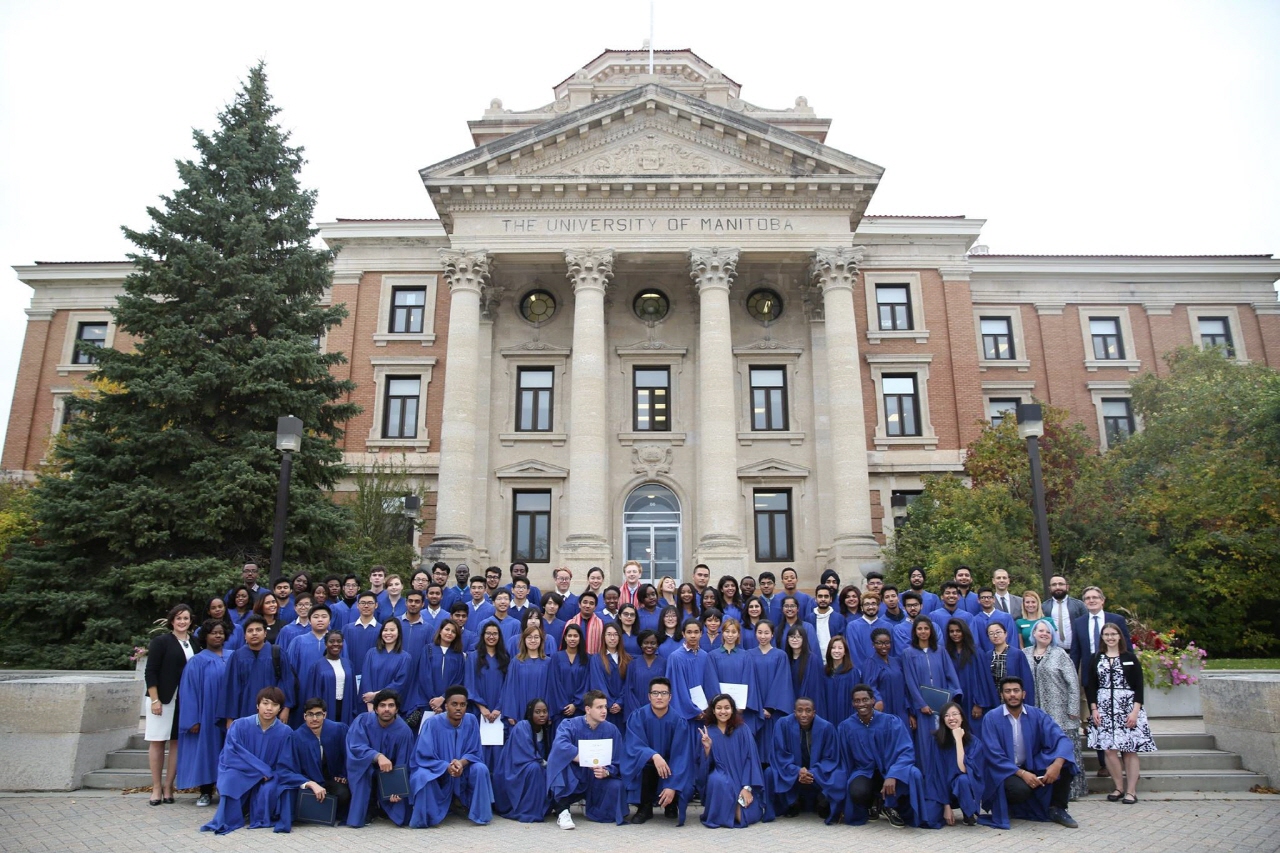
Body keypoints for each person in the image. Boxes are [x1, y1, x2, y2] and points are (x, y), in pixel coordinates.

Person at [980, 676, 1079, 828]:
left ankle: (1057, 808)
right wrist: (1022, 774)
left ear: (1023, 694)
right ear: (1001, 695)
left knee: (1065, 764)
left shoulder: (1037, 715)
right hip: (1006, 771)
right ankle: (1011, 807)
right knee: (1020, 790)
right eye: (1007, 691)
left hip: (1032, 764)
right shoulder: (991, 718)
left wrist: (1057, 764)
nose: (1012, 694)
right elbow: (994, 755)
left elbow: (1062, 739)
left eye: (1016, 691)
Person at [200, 686, 300, 834]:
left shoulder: (286, 732)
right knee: (230, 779)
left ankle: (258, 816)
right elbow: (231, 754)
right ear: (257, 705)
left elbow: (286, 762)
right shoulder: (240, 725)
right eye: (265, 703)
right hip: (242, 771)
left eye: (274, 705)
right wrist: (260, 771)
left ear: (280, 709)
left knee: (269, 788)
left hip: (270, 774)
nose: (269, 708)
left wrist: (268, 773)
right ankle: (230, 817)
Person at [1085, 622, 1155, 804]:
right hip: (1103, 707)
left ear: (1119, 637)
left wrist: (1135, 711)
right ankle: (1118, 787)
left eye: (1113, 634)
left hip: (1127, 707)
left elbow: (1139, 686)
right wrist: (1094, 709)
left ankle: (1131, 791)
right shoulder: (1096, 658)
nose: (1110, 637)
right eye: (1106, 634)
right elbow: (1090, 685)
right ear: (1102, 638)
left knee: (1129, 750)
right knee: (1108, 749)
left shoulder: (1129, 657)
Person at [837, 684, 924, 827]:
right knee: (857, 790)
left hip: (891, 768)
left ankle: (893, 807)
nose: (861, 704)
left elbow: (906, 751)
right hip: (865, 772)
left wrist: (893, 774)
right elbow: (845, 760)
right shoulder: (846, 727)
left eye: (865, 699)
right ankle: (872, 802)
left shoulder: (891, 722)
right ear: (852, 703)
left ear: (873, 700)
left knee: (914, 774)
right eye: (857, 701)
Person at [409, 685, 494, 827]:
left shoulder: (471, 720)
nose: (459, 708)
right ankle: (427, 816)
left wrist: (461, 763)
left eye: (463, 704)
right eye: (454, 704)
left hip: (463, 768)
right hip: (438, 770)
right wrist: (446, 766)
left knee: (481, 768)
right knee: (421, 776)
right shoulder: (432, 723)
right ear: (446, 705)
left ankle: (479, 814)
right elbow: (423, 755)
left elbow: (475, 751)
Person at [547, 690, 627, 828]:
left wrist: (607, 772)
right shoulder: (570, 725)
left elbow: (618, 759)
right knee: (559, 763)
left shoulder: (612, 730)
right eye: (599, 707)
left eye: (605, 707)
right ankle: (563, 811)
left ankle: (597, 809)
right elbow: (561, 745)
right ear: (588, 709)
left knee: (616, 785)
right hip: (576, 774)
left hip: (597, 775)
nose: (604, 711)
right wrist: (585, 759)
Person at [1024, 618, 1083, 799]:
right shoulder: (1024, 654)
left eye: (1048, 631)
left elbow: (1073, 683)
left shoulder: (1060, 654)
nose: (1044, 634)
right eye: (1040, 631)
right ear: (1033, 634)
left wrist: (1073, 709)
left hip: (1060, 709)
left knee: (1063, 748)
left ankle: (1071, 791)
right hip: (1035, 710)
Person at [144, 603, 195, 806]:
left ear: (191, 621)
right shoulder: (161, 641)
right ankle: (156, 787)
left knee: (176, 742)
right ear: (172, 620)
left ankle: (168, 786)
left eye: (186, 618)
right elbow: (151, 671)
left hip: (185, 700)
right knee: (157, 741)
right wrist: (155, 699)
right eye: (179, 618)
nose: (182, 622)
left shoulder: (196, 642)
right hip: (162, 699)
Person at [622, 676, 692, 825]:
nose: (659, 697)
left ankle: (671, 803)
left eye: (664, 693)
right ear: (649, 696)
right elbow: (633, 745)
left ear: (670, 697)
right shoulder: (638, 717)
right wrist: (653, 755)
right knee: (645, 764)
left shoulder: (679, 721)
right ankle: (645, 807)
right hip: (647, 764)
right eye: (655, 693)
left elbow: (681, 755)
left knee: (676, 766)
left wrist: (672, 786)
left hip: (670, 765)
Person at [175, 618, 228, 807]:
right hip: (208, 716)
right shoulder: (197, 661)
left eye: (221, 632)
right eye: (213, 632)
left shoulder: (234, 656)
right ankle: (205, 791)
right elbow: (188, 692)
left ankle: (227, 791)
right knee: (208, 751)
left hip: (230, 715)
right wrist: (193, 720)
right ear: (205, 636)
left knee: (229, 752)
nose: (218, 635)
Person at [345, 689, 415, 827]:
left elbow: (403, 762)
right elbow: (355, 746)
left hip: (389, 772)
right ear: (376, 709)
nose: (386, 709)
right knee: (364, 771)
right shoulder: (363, 721)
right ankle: (366, 809)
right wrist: (377, 756)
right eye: (382, 705)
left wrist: (398, 788)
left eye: (391, 705)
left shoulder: (404, 732)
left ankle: (385, 806)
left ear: (397, 709)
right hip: (365, 767)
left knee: (402, 813)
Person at [922, 702, 997, 828]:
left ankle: (968, 811)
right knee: (930, 819)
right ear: (942, 720)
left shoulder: (974, 742)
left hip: (963, 788)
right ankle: (944, 807)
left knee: (963, 780)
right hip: (940, 788)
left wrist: (958, 740)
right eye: (947, 715)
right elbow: (935, 773)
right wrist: (946, 805)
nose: (951, 718)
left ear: (962, 717)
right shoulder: (935, 741)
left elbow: (963, 769)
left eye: (955, 714)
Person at [769, 697, 844, 822]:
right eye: (800, 710)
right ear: (794, 712)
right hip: (792, 772)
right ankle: (791, 803)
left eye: (808, 711)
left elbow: (831, 758)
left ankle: (823, 803)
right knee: (770, 773)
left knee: (839, 775)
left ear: (814, 713)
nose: (804, 714)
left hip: (818, 773)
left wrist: (812, 772)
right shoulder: (782, 725)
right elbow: (779, 753)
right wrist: (797, 771)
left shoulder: (826, 728)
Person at [697, 693, 766, 828]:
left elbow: (750, 759)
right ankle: (722, 812)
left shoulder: (743, 730)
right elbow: (705, 766)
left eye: (727, 708)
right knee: (718, 780)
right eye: (719, 708)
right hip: (720, 774)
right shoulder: (708, 732)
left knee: (743, 818)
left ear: (733, 710)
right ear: (713, 710)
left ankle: (734, 808)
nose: (723, 711)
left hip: (742, 778)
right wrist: (707, 748)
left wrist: (746, 787)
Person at [902, 615, 960, 775]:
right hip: (924, 709)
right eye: (919, 628)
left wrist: (951, 700)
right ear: (914, 631)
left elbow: (951, 675)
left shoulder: (940, 651)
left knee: (946, 741)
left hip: (943, 707)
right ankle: (931, 786)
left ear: (931, 631)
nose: (923, 632)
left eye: (926, 628)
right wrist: (921, 704)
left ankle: (950, 782)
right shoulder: (908, 653)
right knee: (927, 745)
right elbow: (910, 682)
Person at [289, 698, 350, 825]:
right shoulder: (296, 737)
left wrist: (343, 775)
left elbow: (348, 755)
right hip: (308, 782)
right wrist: (309, 783)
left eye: (318, 714)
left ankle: (331, 813)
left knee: (344, 794)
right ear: (304, 716)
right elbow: (286, 768)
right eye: (310, 714)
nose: (314, 718)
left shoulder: (337, 730)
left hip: (330, 780)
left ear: (325, 715)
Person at [220, 616, 289, 724]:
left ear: (265, 633)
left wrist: (286, 708)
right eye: (250, 631)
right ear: (244, 635)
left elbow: (286, 682)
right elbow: (231, 688)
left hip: (273, 709)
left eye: (258, 630)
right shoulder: (237, 657)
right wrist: (229, 718)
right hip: (244, 709)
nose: (254, 633)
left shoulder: (277, 653)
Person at [494, 698, 554, 821]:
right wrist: (545, 763)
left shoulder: (545, 730)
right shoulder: (522, 726)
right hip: (514, 769)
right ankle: (528, 810)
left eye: (544, 711)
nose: (542, 715)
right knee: (535, 768)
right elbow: (526, 753)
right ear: (530, 713)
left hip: (530, 766)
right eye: (537, 712)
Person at [749, 620, 793, 766]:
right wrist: (756, 707)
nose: (763, 636)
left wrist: (770, 707)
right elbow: (748, 682)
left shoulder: (780, 655)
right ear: (755, 634)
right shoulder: (748, 655)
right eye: (760, 632)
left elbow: (782, 682)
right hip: (754, 709)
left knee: (773, 748)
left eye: (766, 633)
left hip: (773, 711)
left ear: (772, 634)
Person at [662, 618, 720, 725]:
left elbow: (710, 685)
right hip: (685, 715)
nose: (693, 636)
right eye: (689, 632)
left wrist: (709, 708)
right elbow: (677, 689)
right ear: (683, 634)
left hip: (704, 714)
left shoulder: (705, 656)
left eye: (696, 632)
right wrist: (693, 711)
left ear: (701, 634)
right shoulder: (675, 658)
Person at [410, 619, 466, 727]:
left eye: (453, 632)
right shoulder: (428, 649)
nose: (449, 633)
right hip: (427, 702)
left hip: (449, 704)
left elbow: (458, 680)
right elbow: (424, 676)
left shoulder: (458, 655)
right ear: (440, 631)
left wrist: (443, 698)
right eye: (447, 629)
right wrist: (434, 702)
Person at [300, 630, 359, 726]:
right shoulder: (317, 666)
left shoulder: (348, 664)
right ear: (325, 644)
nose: (336, 644)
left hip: (345, 706)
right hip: (327, 706)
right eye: (331, 641)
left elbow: (353, 691)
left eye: (339, 641)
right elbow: (312, 693)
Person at [945, 618, 998, 719]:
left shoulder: (976, 652)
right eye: (951, 631)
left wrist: (979, 703)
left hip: (973, 700)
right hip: (955, 700)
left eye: (958, 631)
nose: (955, 634)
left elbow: (982, 679)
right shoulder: (946, 653)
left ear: (964, 632)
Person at [500, 623, 551, 727]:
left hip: (542, 710)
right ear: (524, 640)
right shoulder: (516, 662)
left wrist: (549, 714)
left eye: (536, 637)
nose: (533, 640)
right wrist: (511, 713)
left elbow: (551, 690)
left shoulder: (548, 662)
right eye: (529, 637)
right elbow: (510, 688)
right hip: (520, 708)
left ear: (541, 640)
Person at [1070, 586, 1133, 671]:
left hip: (1114, 668)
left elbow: (1126, 646)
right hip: (1089, 670)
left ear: (1102, 600)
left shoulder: (1117, 620)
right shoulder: (1079, 622)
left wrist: (1129, 668)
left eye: (1095, 597)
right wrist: (1072, 674)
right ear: (1084, 602)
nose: (1091, 600)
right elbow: (1075, 651)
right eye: (1087, 598)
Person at [862, 628, 910, 732]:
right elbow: (869, 686)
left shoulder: (896, 661)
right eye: (879, 643)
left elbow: (904, 686)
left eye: (887, 643)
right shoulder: (870, 663)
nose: (884, 646)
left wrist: (910, 712)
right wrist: (878, 700)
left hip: (901, 709)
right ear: (873, 645)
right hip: (883, 709)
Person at [359, 618, 410, 714]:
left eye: (392, 630)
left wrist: (376, 696)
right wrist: (370, 702)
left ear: (398, 633)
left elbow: (399, 684)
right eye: (385, 630)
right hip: (369, 706)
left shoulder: (405, 658)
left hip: (390, 707)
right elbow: (366, 679)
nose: (388, 633)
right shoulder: (371, 653)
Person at [548, 623, 590, 732]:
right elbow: (554, 683)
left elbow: (587, 683)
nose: (572, 639)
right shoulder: (556, 657)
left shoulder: (587, 659)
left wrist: (576, 705)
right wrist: (564, 706)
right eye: (569, 636)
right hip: (560, 710)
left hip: (580, 710)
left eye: (575, 636)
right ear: (565, 638)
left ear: (580, 638)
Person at [591, 622, 631, 732]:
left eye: (615, 634)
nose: (612, 638)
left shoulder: (627, 659)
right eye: (609, 634)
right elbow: (598, 683)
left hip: (622, 709)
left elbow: (628, 684)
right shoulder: (596, 659)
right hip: (604, 710)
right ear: (603, 637)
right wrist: (609, 703)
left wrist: (620, 702)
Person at [986, 621, 1035, 708]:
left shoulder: (1017, 654)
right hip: (994, 700)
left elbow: (1026, 680)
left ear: (1005, 634)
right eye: (991, 633)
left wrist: (1027, 702)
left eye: (998, 632)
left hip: (1013, 699)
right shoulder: (987, 656)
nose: (995, 636)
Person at [820, 635, 860, 727]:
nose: (836, 651)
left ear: (845, 651)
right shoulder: (823, 671)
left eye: (840, 648)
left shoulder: (853, 672)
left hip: (846, 714)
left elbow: (855, 697)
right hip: (828, 713)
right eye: (833, 648)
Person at [626, 631, 668, 714]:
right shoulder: (633, 664)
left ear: (658, 645)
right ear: (641, 645)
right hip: (636, 710)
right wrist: (636, 711)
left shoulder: (664, 663)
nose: (649, 646)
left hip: (659, 710)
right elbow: (628, 689)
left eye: (653, 643)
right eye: (646, 643)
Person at [784, 625, 824, 712]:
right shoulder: (784, 658)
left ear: (804, 639)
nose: (795, 639)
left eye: (798, 637)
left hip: (807, 704)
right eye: (792, 637)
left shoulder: (812, 659)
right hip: (789, 702)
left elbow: (815, 687)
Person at [844, 591, 889, 666]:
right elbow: (853, 652)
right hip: (861, 671)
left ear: (878, 606)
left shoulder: (888, 626)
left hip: (884, 671)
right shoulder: (852, 626)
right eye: (867, 604)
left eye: (873, 604)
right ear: (862, 607)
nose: (870, 607)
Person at [1045, 574, 1086, 655]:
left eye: (1061, 584)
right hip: (1053, 652)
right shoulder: (1044, 607)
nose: (1057, 587)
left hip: (1076, 651)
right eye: (1054, 585)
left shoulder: (1079, 605)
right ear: (1050, 588)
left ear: (1067, 587)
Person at [970, 587, 1018, 655]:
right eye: (983, 597)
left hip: (1006, 657)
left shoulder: (1006, 617)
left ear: (994, 599)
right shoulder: (975, 620)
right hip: (985, 659)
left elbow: (1012, 640)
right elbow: (975, 643)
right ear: (978, 600)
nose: (986, 600)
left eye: (989, 597)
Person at [342, 592, 381, 672]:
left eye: (370, 603)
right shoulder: (347, 629)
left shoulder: (382, 630)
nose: (366, 606)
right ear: (357, 605)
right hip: (351, 673)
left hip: (373, 673)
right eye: (363, 603)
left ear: (376, 605)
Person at [564, 589, 606, 654]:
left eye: (591, 603)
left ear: (595, 607)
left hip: (594, 660)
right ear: (579, 605)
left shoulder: (601, 624)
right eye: (585, 602)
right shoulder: (570, 623)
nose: (587, 606)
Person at [807, 585, 844, 657]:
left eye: (826, 596)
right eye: (820, 596)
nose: (823, 599)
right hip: (815, 659)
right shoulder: (809, 619)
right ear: (815, 599)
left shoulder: (839, 618)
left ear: (831, 599)